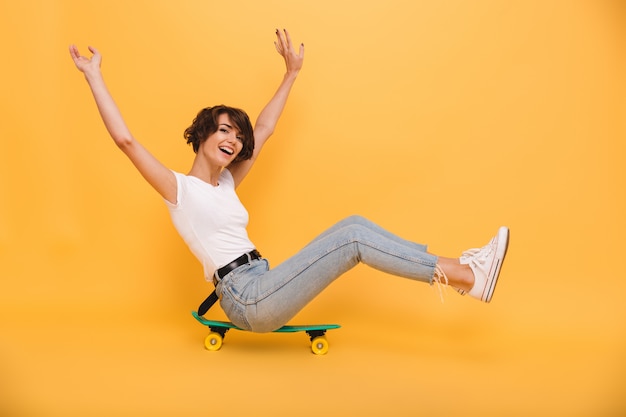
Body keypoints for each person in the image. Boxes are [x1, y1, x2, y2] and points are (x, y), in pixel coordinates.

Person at [70, 29, 510, 333]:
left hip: (264, 280)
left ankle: (459, 272)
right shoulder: (179, 191)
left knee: (352, 223)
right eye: (223, 129)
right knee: (354, 236)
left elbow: (264, 130)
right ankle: (465, 274)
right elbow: (126, 141)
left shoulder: (225, 185)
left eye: (236, 136)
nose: (233, 139)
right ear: (202, 134)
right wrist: (94, 76)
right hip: (247, 298)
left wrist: (291, 73)